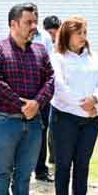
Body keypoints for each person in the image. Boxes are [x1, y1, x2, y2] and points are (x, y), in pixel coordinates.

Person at [0, 3, 55, 195]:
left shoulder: (40, 51)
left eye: (35, 21)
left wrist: (37, 103)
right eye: (28, 22)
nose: (34, 26)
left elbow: (51, 79)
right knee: (3, 169)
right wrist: (22, 104)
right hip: (6, 120)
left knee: (25, 171)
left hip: (33, 122)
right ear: (13, 24)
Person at [50, 15, 98, 195]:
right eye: (79, 33)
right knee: (63, 164)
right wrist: (81, 104)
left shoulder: (93, 57)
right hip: (66, 117)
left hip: (92, 118)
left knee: (82, 164)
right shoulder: (58, 57)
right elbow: (59, 87)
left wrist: (94, 100)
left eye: (85, 33)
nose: (83, 37)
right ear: (68, 35)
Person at [32, 13, 61, 181]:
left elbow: (51, 63)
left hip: (42, 92)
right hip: (24, 91)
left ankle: (40, 169)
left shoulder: (44, 38)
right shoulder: (16, 36)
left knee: (42, 130)